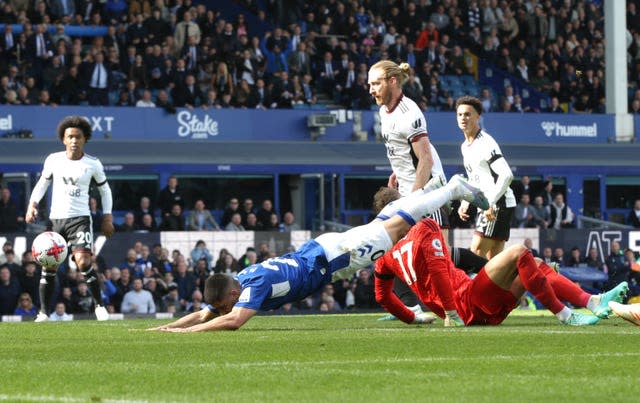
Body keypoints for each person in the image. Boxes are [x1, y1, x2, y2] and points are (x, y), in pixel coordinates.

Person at [148, 174, 490, 332]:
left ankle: (450, 189)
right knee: (387, 223)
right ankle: (432, 189)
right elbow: (209, 313)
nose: (219, 312)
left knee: (394, 229)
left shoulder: (252, 288)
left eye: (222, 305)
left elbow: (234, 321)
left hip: (332, 258)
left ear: (233, 293)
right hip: (322, 251)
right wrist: (169, 327)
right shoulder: (243, 278)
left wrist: (188, 332)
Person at [374, 216, 629, 327]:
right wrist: (451, 312)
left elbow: (382, 297)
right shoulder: (421, 231)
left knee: (533, 263)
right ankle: (565, 314)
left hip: (474, 306)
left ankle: (591, 301)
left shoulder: (385, 258)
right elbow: (443, 270)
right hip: (467, 302)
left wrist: (412, 318)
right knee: (519, 252)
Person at [368, 59, 449, 320]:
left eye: (376, 83)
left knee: (439, 259)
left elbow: (424, 159)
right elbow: (403, 152)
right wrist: (398, 172)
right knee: (391, 249)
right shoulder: (384, 111)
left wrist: (415, 197)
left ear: (392, 81)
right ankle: (410, 306)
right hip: (406, 191)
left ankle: (487, 279)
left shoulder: (410, 113)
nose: (371, 89)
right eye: (369, 84)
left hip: (427, 195)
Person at [25, 116, 114, 322]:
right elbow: (42, 184)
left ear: (85, 139)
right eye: (70, 137)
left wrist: (107, 217)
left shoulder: (93, 164)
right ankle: (44, 313)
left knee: (83, 262)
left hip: (80, 219)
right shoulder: (53, 160)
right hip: (56, 220)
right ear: (64, 139)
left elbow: (105, 191)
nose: (74, 140)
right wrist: (32, 205)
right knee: (50, 266)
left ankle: (99, 306)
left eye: (78, 137)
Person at [455, 95, 515, 260]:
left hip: (498, 203)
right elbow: (474, 178)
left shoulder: (486, 143)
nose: (463, 118)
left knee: (476, 254)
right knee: (493, 262)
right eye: (460, 114)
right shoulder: (465, 146)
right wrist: (466, 201)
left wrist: (490, 203)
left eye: (468, 114)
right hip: (493, 204)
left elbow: (506, 175)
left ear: (478, 117)